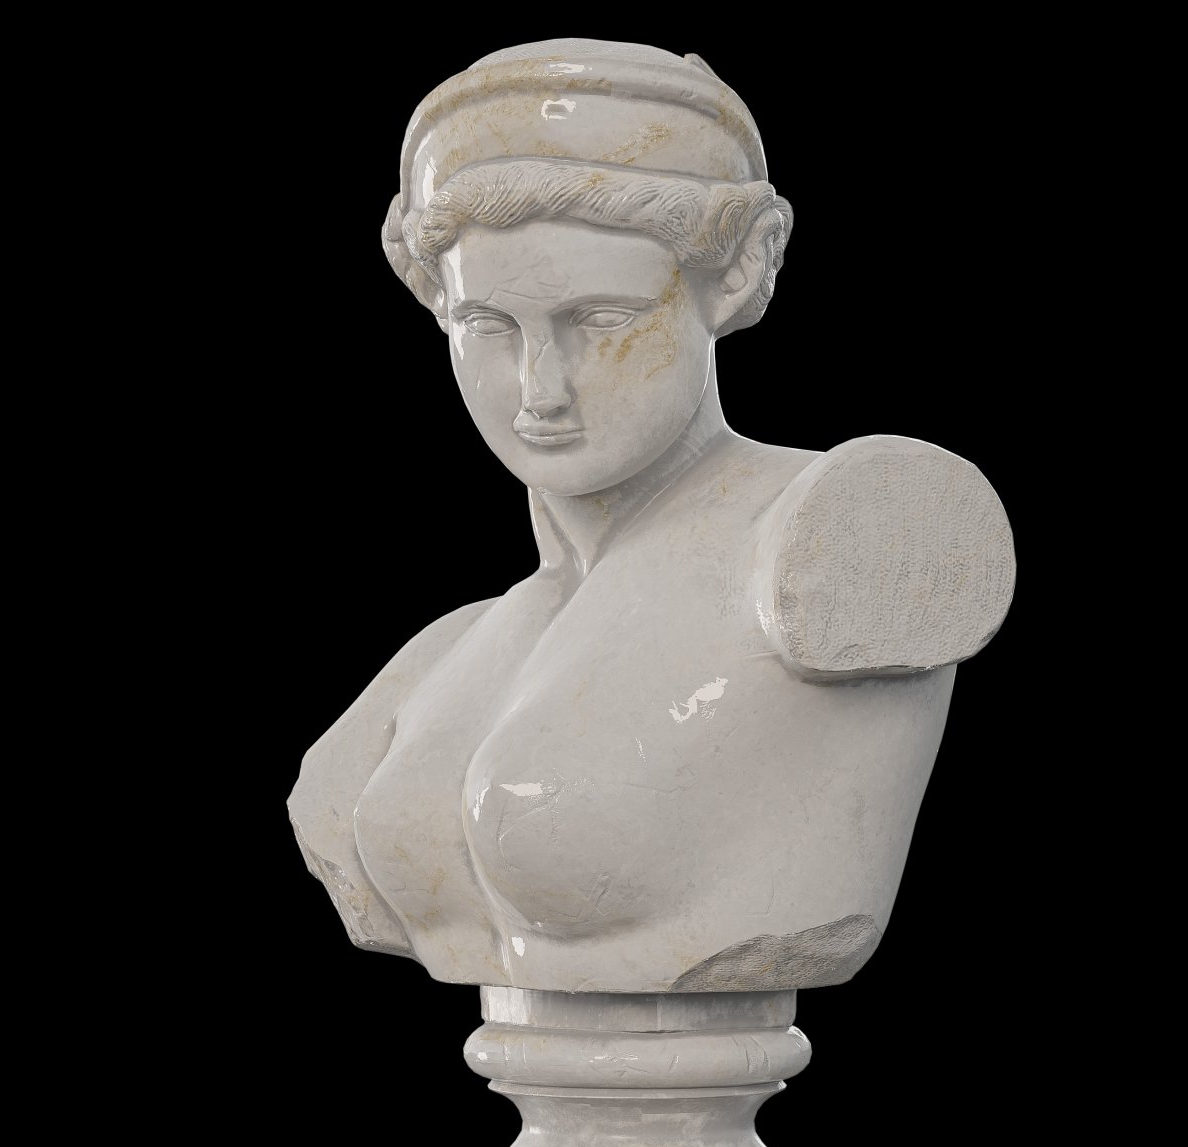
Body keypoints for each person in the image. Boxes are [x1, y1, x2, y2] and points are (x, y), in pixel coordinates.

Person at [289, 39, 1014, 996]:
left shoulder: (871, 525)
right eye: (488, 327)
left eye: (599, 319)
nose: (541, 389)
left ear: (733, 275)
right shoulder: (454, 647)